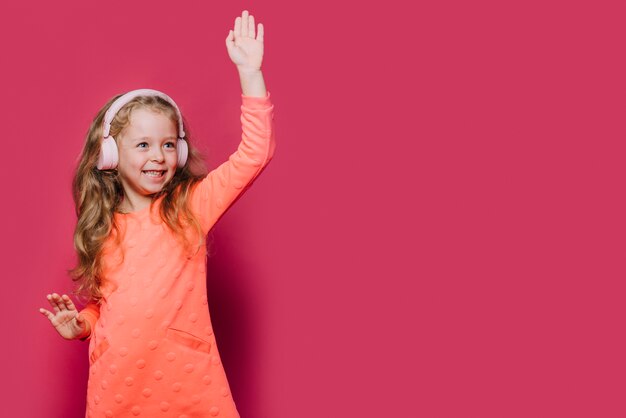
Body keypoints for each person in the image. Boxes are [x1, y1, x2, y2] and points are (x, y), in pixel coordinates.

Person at [37, 10, 274, 418]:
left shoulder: (190, 208)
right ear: (111, 154)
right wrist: (82, 326)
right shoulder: (100, 228)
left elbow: (255, 155)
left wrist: (250, 74)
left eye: (168, 145)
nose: (158, 156)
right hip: (117, 390)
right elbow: (103, 306)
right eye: (143, 145)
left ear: (179, 152)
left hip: (188, 381)